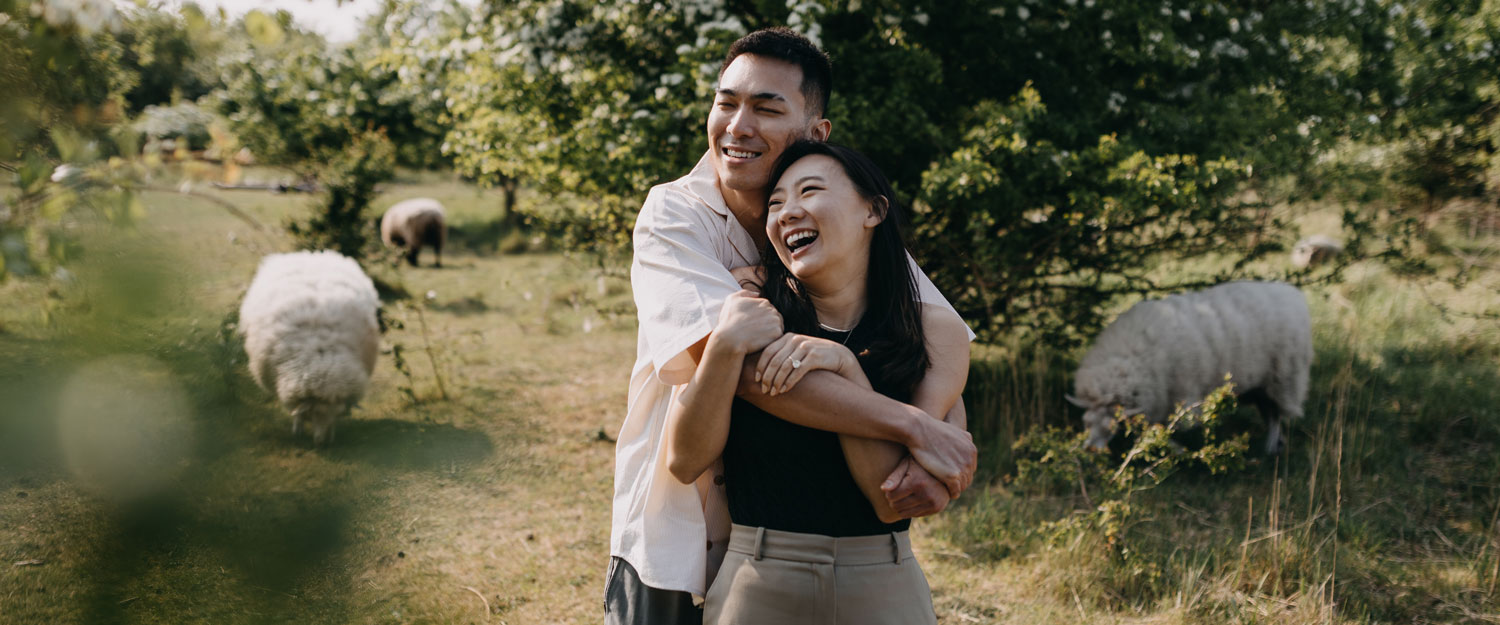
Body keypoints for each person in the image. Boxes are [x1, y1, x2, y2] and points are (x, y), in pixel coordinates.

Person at [607, 27, 976, 625]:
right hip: (679, 532)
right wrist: (912, 427)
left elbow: (939, 329)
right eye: (726, 102)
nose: (738, 125)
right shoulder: (674, 214)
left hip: (809, 541)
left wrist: (931, 447)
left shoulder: (838, 206)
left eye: (766, 108)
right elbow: (747, 373)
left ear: (816, 130)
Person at [666, 141, 961, 624]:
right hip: (758, 580)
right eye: (776, 202)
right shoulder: (748, 307)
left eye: (810, 192)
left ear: (873, 209)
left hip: (883, 581)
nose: (788, 212)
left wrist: (844, 366)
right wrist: (723, 345)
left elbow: (891, 502)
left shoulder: (930, 331)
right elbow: (684, 460)